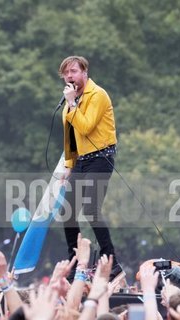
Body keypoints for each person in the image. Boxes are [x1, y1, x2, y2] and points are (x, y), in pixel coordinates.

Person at [58, 55, 123, 282]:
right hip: (81, 161)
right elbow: (71, 136)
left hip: (101, 158)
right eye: (66, 73)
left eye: (74, 71)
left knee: (91, 209)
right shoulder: (71, 101)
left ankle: (111, 260)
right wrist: (68, 166)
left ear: (85, 72)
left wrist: (72, 104)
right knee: (67, 212)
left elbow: (85, 127)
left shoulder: (98, 95)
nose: (69, 76)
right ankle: (75, 261)